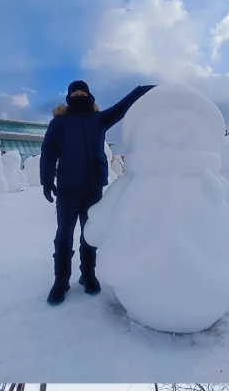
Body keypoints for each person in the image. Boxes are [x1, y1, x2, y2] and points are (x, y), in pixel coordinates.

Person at [39, 79, 154, 305]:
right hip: (67, 188)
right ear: (69, 97)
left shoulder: (98, 120)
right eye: (75, 92)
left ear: (89, 95)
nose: (79, 95)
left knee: (89, 234)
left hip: (92, 187)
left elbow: (121, 109)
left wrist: (140, 91)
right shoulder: (59, 123)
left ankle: (88, 275)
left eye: (82, 91)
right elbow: (49, 151)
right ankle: (60, 281)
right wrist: (46, 179)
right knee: (64, 235)